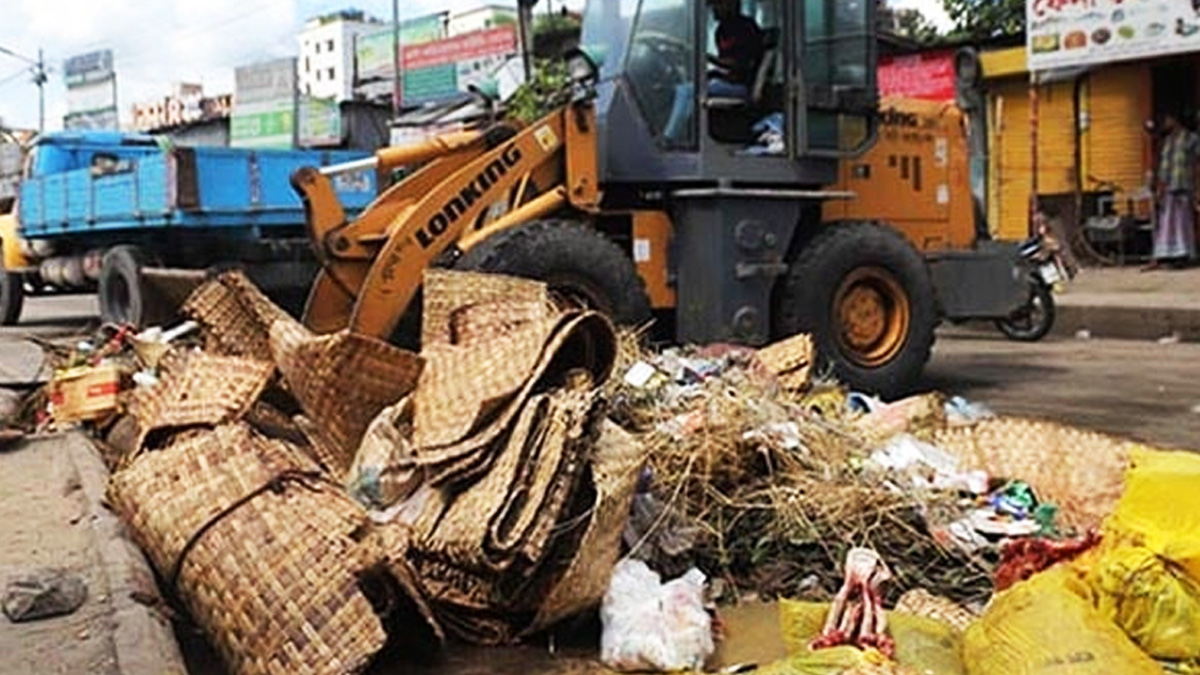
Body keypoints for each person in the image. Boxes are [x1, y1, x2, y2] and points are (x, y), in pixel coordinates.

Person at [662, 0, 765, 143]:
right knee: (681, 89)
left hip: (741, 85)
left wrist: (704, 56)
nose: (713, 10)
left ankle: (669, 139)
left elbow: (739, 64)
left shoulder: (746, 28)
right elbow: (725, 65)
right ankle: (685, 136)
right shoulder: (721, 31)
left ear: (730, 4)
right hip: (726, 81)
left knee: (686, 92)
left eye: (717, 4)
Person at [1144, 111, 1200, 271]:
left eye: (1168, 119)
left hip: (1183, 184)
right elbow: (1164, 166)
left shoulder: (1191, 139)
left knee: (1182, 222)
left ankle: (1183, 255)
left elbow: (1197, 163)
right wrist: (1160, 186)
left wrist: (1197, 187)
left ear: (1176, 120)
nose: (1166, 122)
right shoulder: (1167, 141)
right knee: (1167, 222)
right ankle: (1167, 255)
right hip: (1169, 186)